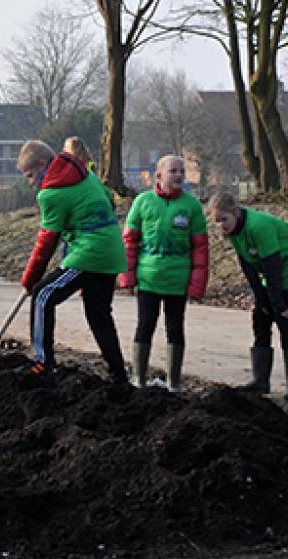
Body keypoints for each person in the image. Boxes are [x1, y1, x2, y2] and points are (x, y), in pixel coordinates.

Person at [16, 139, 128, 387]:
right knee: (99, 315)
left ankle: (44, 364)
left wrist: (29, 279)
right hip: (111, 250)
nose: (30, 182)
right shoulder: (85, 173)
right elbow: (109, 201)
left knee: (42, 294)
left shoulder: (51, 193)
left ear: (43, 164)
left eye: (30, 175)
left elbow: (47, 241)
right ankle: (119, 375)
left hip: (89, 253)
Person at [206, 193, 288, 400]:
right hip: (271, 269)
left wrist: (278, 304)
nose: (221, 225)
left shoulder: (258, 226)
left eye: (224, 219)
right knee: (260, 317)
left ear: (235, 212)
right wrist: (260, 300)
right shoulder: (234, 231)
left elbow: (273, 269)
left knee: (284, 319)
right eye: (216, 221)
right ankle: (260, 380)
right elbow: (247, 265)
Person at [120, 155, 208, 392]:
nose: (179, 175)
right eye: (173, 171)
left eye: (182, 171)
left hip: (178, 281)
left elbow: (200, 249)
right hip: (148, 279)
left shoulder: (192, 206)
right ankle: (138, 378)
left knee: (175, 328)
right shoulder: (142, 202)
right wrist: (127, 277)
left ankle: (174, 383)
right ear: (159, 176)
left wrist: (196, 286)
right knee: (145, 325)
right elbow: (129, 242)